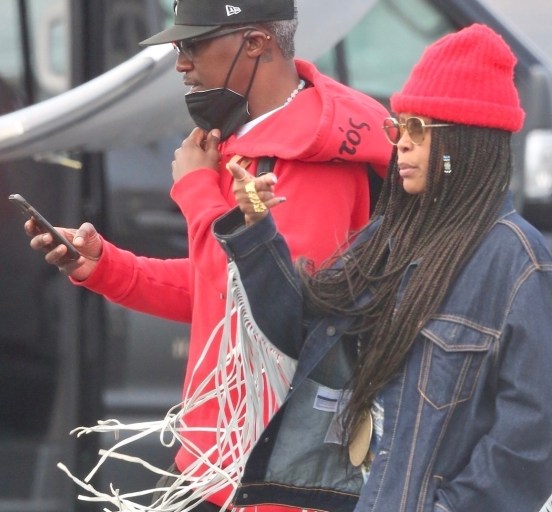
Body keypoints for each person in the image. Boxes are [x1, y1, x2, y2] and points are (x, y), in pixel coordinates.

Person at [24, 0, 391, 510]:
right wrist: (104, 266)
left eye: (193, 44)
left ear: (257, 42)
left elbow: (274, 313)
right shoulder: (246, 139)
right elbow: (217, 296)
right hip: (215, 465)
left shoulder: (315, 156)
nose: (181, 63)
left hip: (275, 480)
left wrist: (197, 189)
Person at [213, 23, 552, 511]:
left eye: (419, 130)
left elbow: (529, 447)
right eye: (397, 126)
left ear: (464, 144)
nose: (400, 143)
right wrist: (257, 230)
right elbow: (300, 335)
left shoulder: (518, 262)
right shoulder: (388, 238)